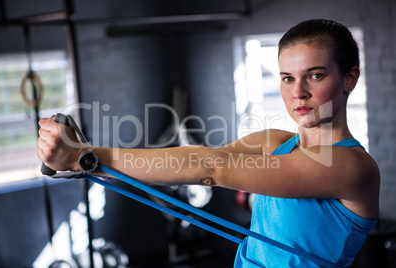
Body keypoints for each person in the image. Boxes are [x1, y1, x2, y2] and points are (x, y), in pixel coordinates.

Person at [37, 19, 380, 267]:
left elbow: (210, 168)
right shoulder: (274, 142)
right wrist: (91, 161)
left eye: (315, 75)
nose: (298, 92)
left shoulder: (351, 167)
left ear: (350, 77)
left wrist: (86, 155)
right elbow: (191, 163)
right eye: (287, 78)